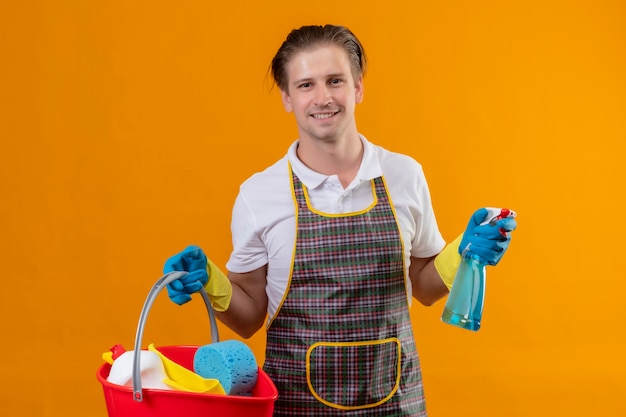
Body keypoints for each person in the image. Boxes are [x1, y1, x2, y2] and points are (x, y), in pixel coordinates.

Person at [163, 24, 517, 416]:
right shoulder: (259, 194)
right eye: (305, 85)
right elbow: (249, 318)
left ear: (358, 87)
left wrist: (462, 254)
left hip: (397, 402)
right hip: (296, 405)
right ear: (286, 97)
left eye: (335, 80)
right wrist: (210, 280)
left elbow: (424, 287)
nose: (323, 98)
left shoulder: (404, 175)